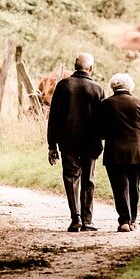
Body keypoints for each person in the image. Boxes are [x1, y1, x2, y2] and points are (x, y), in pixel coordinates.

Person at [47, 53, 105, 232]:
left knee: (71, 177)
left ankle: (76, 218)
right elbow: (102, 120)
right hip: (91, 142)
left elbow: (54, 117)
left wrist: (52, 145)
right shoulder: (97, 89)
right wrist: (102, 139)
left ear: (74, 66)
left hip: (68, 141)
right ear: (91, 69)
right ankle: (88, 220)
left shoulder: (63, 85)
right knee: (88, 179)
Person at [98, 73, 140, 232]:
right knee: (134, 186)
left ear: (113, 86)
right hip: (137, 152)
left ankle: (124, 220)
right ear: (129, 86)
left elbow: (100, 132)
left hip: (114, 153)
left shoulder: (105, 104)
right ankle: (132, 220)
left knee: (119, 187)